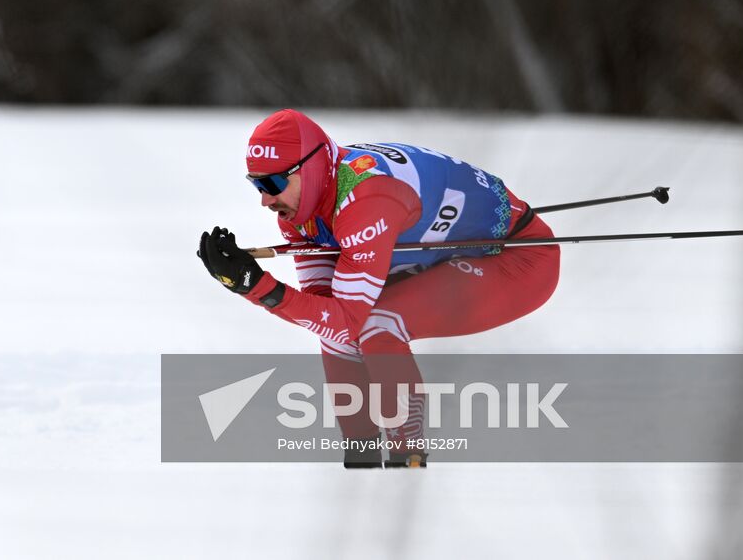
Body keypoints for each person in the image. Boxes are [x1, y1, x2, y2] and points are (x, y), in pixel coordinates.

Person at [197, 108, 560, 468]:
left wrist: (257, 288)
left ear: (309, 168)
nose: (265, 199)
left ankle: (408, 459)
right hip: (450, 251)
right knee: (342, 330)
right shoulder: (301, 206)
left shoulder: (367, 200)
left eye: (273, 184)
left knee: (378, 324)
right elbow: (325, 316)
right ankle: (362, 457)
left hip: (518, 260)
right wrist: (254, 287)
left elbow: (347, 321)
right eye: (257, 184)